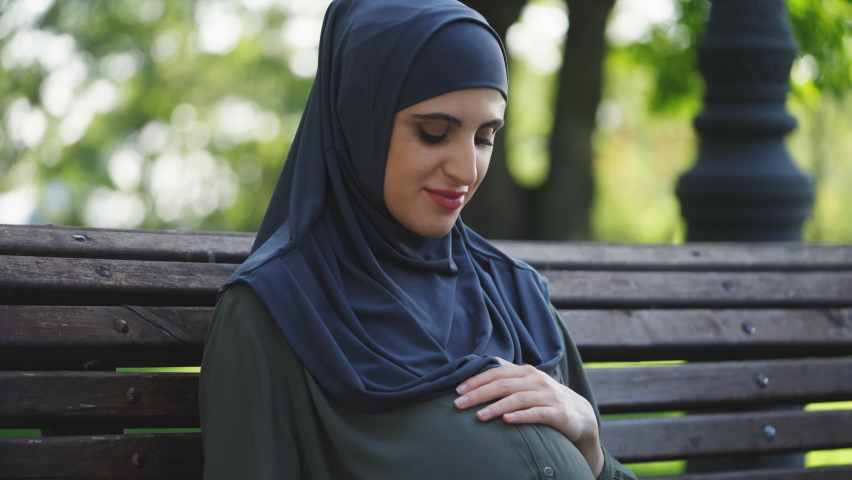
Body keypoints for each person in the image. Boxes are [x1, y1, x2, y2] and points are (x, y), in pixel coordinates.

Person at [199, 0, 637, 479]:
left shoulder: (517, 293)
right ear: (358, 121)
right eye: (433, 133)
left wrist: (592, 449)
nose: (466, 170)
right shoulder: (274, 311)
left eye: (485, 137)